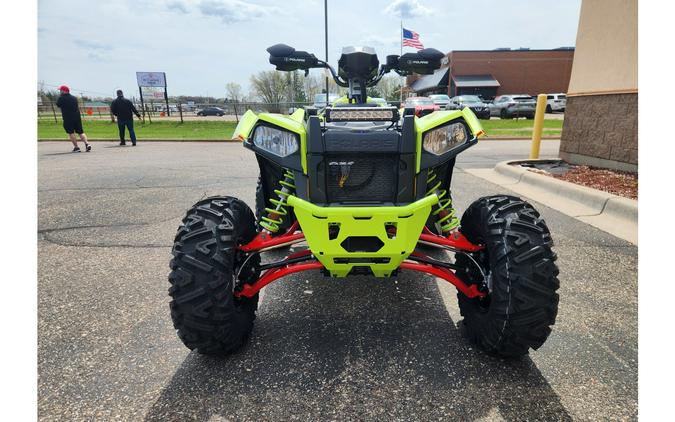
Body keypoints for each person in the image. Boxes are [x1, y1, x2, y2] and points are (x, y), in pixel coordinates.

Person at [56, 85, 91, 152]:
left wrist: (60, 97)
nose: (60, 91)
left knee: (71, 132)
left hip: (68, 118)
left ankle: (76, 147)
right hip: (77, 117)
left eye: (60, 90)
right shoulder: (74, 98)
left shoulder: (61, 98)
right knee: (80, 132)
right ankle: (87, 144)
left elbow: (58, 104)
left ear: (64, 91)